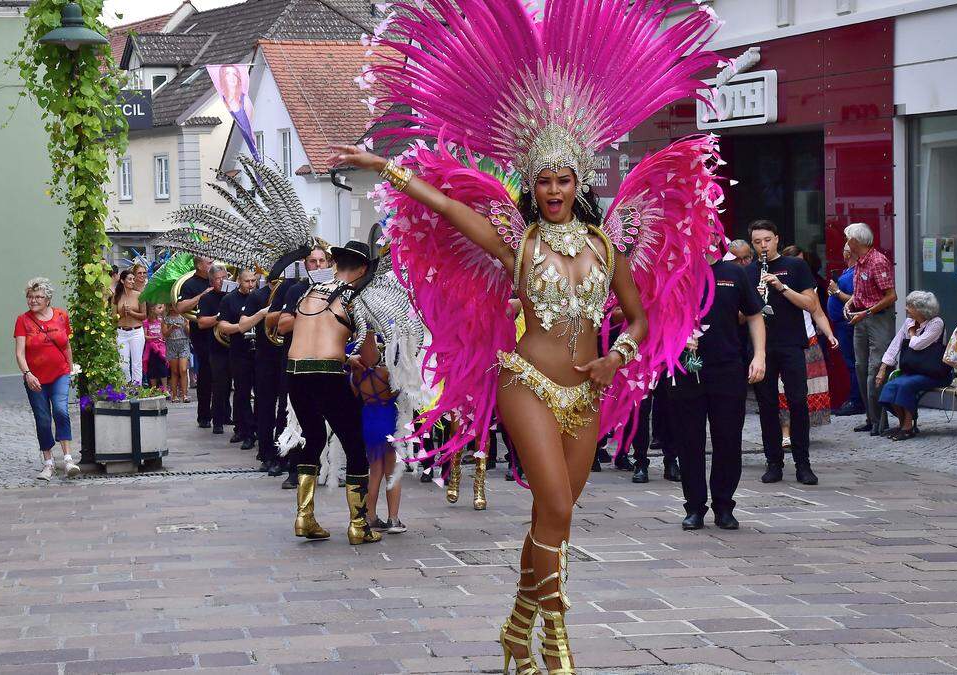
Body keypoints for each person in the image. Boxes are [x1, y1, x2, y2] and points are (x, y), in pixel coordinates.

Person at [334, 0, 721, 665]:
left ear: (580, 181)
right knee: (558, 506)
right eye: (542, 179)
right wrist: (386, 166)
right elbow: (453, 207)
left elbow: (640, 316)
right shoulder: (516, 241)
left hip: (586, 391)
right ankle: (556, 635)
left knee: (554, 512)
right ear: (532, 184)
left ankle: (518, 620)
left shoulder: (608, 243)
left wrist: (617, 356)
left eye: (563, 178)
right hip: (527, 380)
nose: (552, 189)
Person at [282, 241, 383, 545]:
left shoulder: (307, 292)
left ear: (336, 264)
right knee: (355, 445)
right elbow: (371, 358)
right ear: (364, 269)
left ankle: (305, 517)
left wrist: (342, 354)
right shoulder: (354, 299)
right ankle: (358, 525)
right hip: (327, 375)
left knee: (312, 438)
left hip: (296, 373)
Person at [666, 243, 766, 530]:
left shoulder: (734, 272)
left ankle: (724, 506)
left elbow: (755, 314)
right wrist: (678, 336)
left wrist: (759, 356)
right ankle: (694, 506)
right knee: (689, 440)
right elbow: (657, 317)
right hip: (685, 370)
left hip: (728, 368)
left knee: (728, 438)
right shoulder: (677, 272)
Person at [747, 221, 822, 486]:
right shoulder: (748, 271)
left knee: (798, 401)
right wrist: (754, 301)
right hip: (762, 348)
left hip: (791, 343)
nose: (763, 246)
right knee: (767, 406)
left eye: (767, 240)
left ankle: (803, 463)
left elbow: (811, 304)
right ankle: (773, 462)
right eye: (757, 242)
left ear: (777, 239)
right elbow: (741, 317)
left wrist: (781, 287)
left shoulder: (796, 267)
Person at [275, 247, 330, 487]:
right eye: (313, 262)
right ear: (305, 265)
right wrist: (309, 311)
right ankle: (295, 469)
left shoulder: (337, 290)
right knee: (295, 414)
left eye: (321, 261)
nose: (317, 266)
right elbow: (283, 325)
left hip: (327, 360)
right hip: (299, 361)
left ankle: (328, 467)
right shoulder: (296, 289)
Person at [14, 277, 79, 481]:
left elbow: (66, 345)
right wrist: (27, 374)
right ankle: (48, 462)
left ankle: (68, 459)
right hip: (35, 378)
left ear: (48, 299)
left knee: (60, 410)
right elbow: (19, 353)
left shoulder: (61, 316)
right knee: (42, 419)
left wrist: (70, 369)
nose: (33, 300)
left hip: (60, 373)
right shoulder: (22, 320)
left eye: (38, 297)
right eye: (30, 297)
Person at [778, 245, 839, 444]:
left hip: (808, 338)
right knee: (782, 390)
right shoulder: (774, 281)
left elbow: (817, 312)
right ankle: (785, 433)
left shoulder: (807, 284)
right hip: (784, 341)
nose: (801, 265)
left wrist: (829, 334)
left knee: (806, 390)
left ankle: (799, 430)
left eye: (803, 261)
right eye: (798, 261)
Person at [843, 222, 897, 436]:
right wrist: (850, 303)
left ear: (856, 242)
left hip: (877, 319)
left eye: (848, 239)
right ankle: (871, 417)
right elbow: (862, 292)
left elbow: (891, 296)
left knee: (875, 369)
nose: (846, 242)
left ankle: (879, 421)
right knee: (861, 367)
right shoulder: (860, 262)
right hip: (862, 319)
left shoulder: (877, 261)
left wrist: (865, 312)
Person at [877, 291, 952, 440]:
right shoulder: (908, 322)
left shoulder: (936, 323)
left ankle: (908, 427)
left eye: (909, 306)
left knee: (905, 386)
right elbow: (895, 345)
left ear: (921, 309)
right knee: (890, 386)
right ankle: (902, 424)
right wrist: (883, 368)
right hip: (914, 371)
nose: (906, 309)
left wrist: (912, 332)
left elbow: (917, 345)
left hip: (935, 373)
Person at [351, 332, 406, 533]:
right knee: (393, 472)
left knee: (374, 472)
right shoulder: (387, 373)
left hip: (368, 418)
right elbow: (398, 391)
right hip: (388, 417)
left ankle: (371, 516)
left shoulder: (356, 374)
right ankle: (393, 519)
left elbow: (355, 394)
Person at [245, 274, 290, 473]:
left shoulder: (292, 291)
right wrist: (263, 314)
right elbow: (243, 325)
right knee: (264, 407)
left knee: (285, 409)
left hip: (286, 355)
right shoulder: (258, 295)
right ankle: (265, 453)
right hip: (265, 357)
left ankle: (283, 453)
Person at [217, 268, 264, 451]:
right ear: (239, 281)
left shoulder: (261, 297)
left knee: (262, 392)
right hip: (239, 351)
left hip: (260, 352)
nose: (251, 285)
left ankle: (260, 428)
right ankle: (246, 431)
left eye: (254, 281)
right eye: (247, 281)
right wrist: (243, 327)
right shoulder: (229, 299)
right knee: (242, 392)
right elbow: (222, 325)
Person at [827, 245, 865, 415]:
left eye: (844, 249)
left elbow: (857, 300)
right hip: (841, 323)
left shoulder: (854, 273)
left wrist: (836, 292)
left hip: (847, 324)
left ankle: (857, 401)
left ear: (848, 253)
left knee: (853, 363)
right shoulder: (848, 271)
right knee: (850, 363)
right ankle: (855, 399)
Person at [177, 256, 214, 427]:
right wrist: (202, 295)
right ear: (199, 266)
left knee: (224, 374)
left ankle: (223, 414)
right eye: (209, 263)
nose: (212, 265)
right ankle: (204, 415)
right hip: (200, 332)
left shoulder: (218, 279)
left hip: (218, 330)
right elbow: (181, 307)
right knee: (206, 373)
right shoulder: (190, 284)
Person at [197, 265, 231, 434]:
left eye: (225, 277)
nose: (223, 281)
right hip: (216, 347)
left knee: (238, 386)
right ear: (211, 281)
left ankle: (232, 418)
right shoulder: (207, 298)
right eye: (219, 278)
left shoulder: (232, 295)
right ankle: (217, 421)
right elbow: (202, 322)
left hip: (235, 346)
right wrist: (220, 317)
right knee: (219, 385)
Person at [114, 263, 146, 385]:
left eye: (133, 279)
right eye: (130, 279)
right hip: (121, 332)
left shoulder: (139, 295)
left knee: (137, 362)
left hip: (136, 331)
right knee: (123, 363)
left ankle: (137, 387)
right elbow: (113, 317)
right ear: (122, 281)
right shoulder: (116, 297)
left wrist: (131, 312)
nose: (133, 281)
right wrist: (122, 313)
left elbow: (144, 316)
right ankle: (126, 386)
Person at [163, 303, 191, 403]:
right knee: (174, 371)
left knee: (183, 370)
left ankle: (185, 394)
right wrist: (171, 328)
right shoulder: (166, 319)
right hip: (171, 345)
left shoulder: (184, 317)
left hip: (183, 343)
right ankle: (174, 395)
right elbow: (165, 334)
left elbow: (189, 333)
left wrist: (187, 324)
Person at [142, 303, 170, 392]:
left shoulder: (161, 321)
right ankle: (154, 389)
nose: (162, 309)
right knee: (152, 369)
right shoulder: (146, 322)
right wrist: (154, 338)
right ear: (152, 310)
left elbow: (164, 334)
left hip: (161, 348)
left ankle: (165, 389)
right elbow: (145, 336)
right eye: (159, 308)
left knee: (163, 367)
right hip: (151, 349)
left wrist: (163, 337)